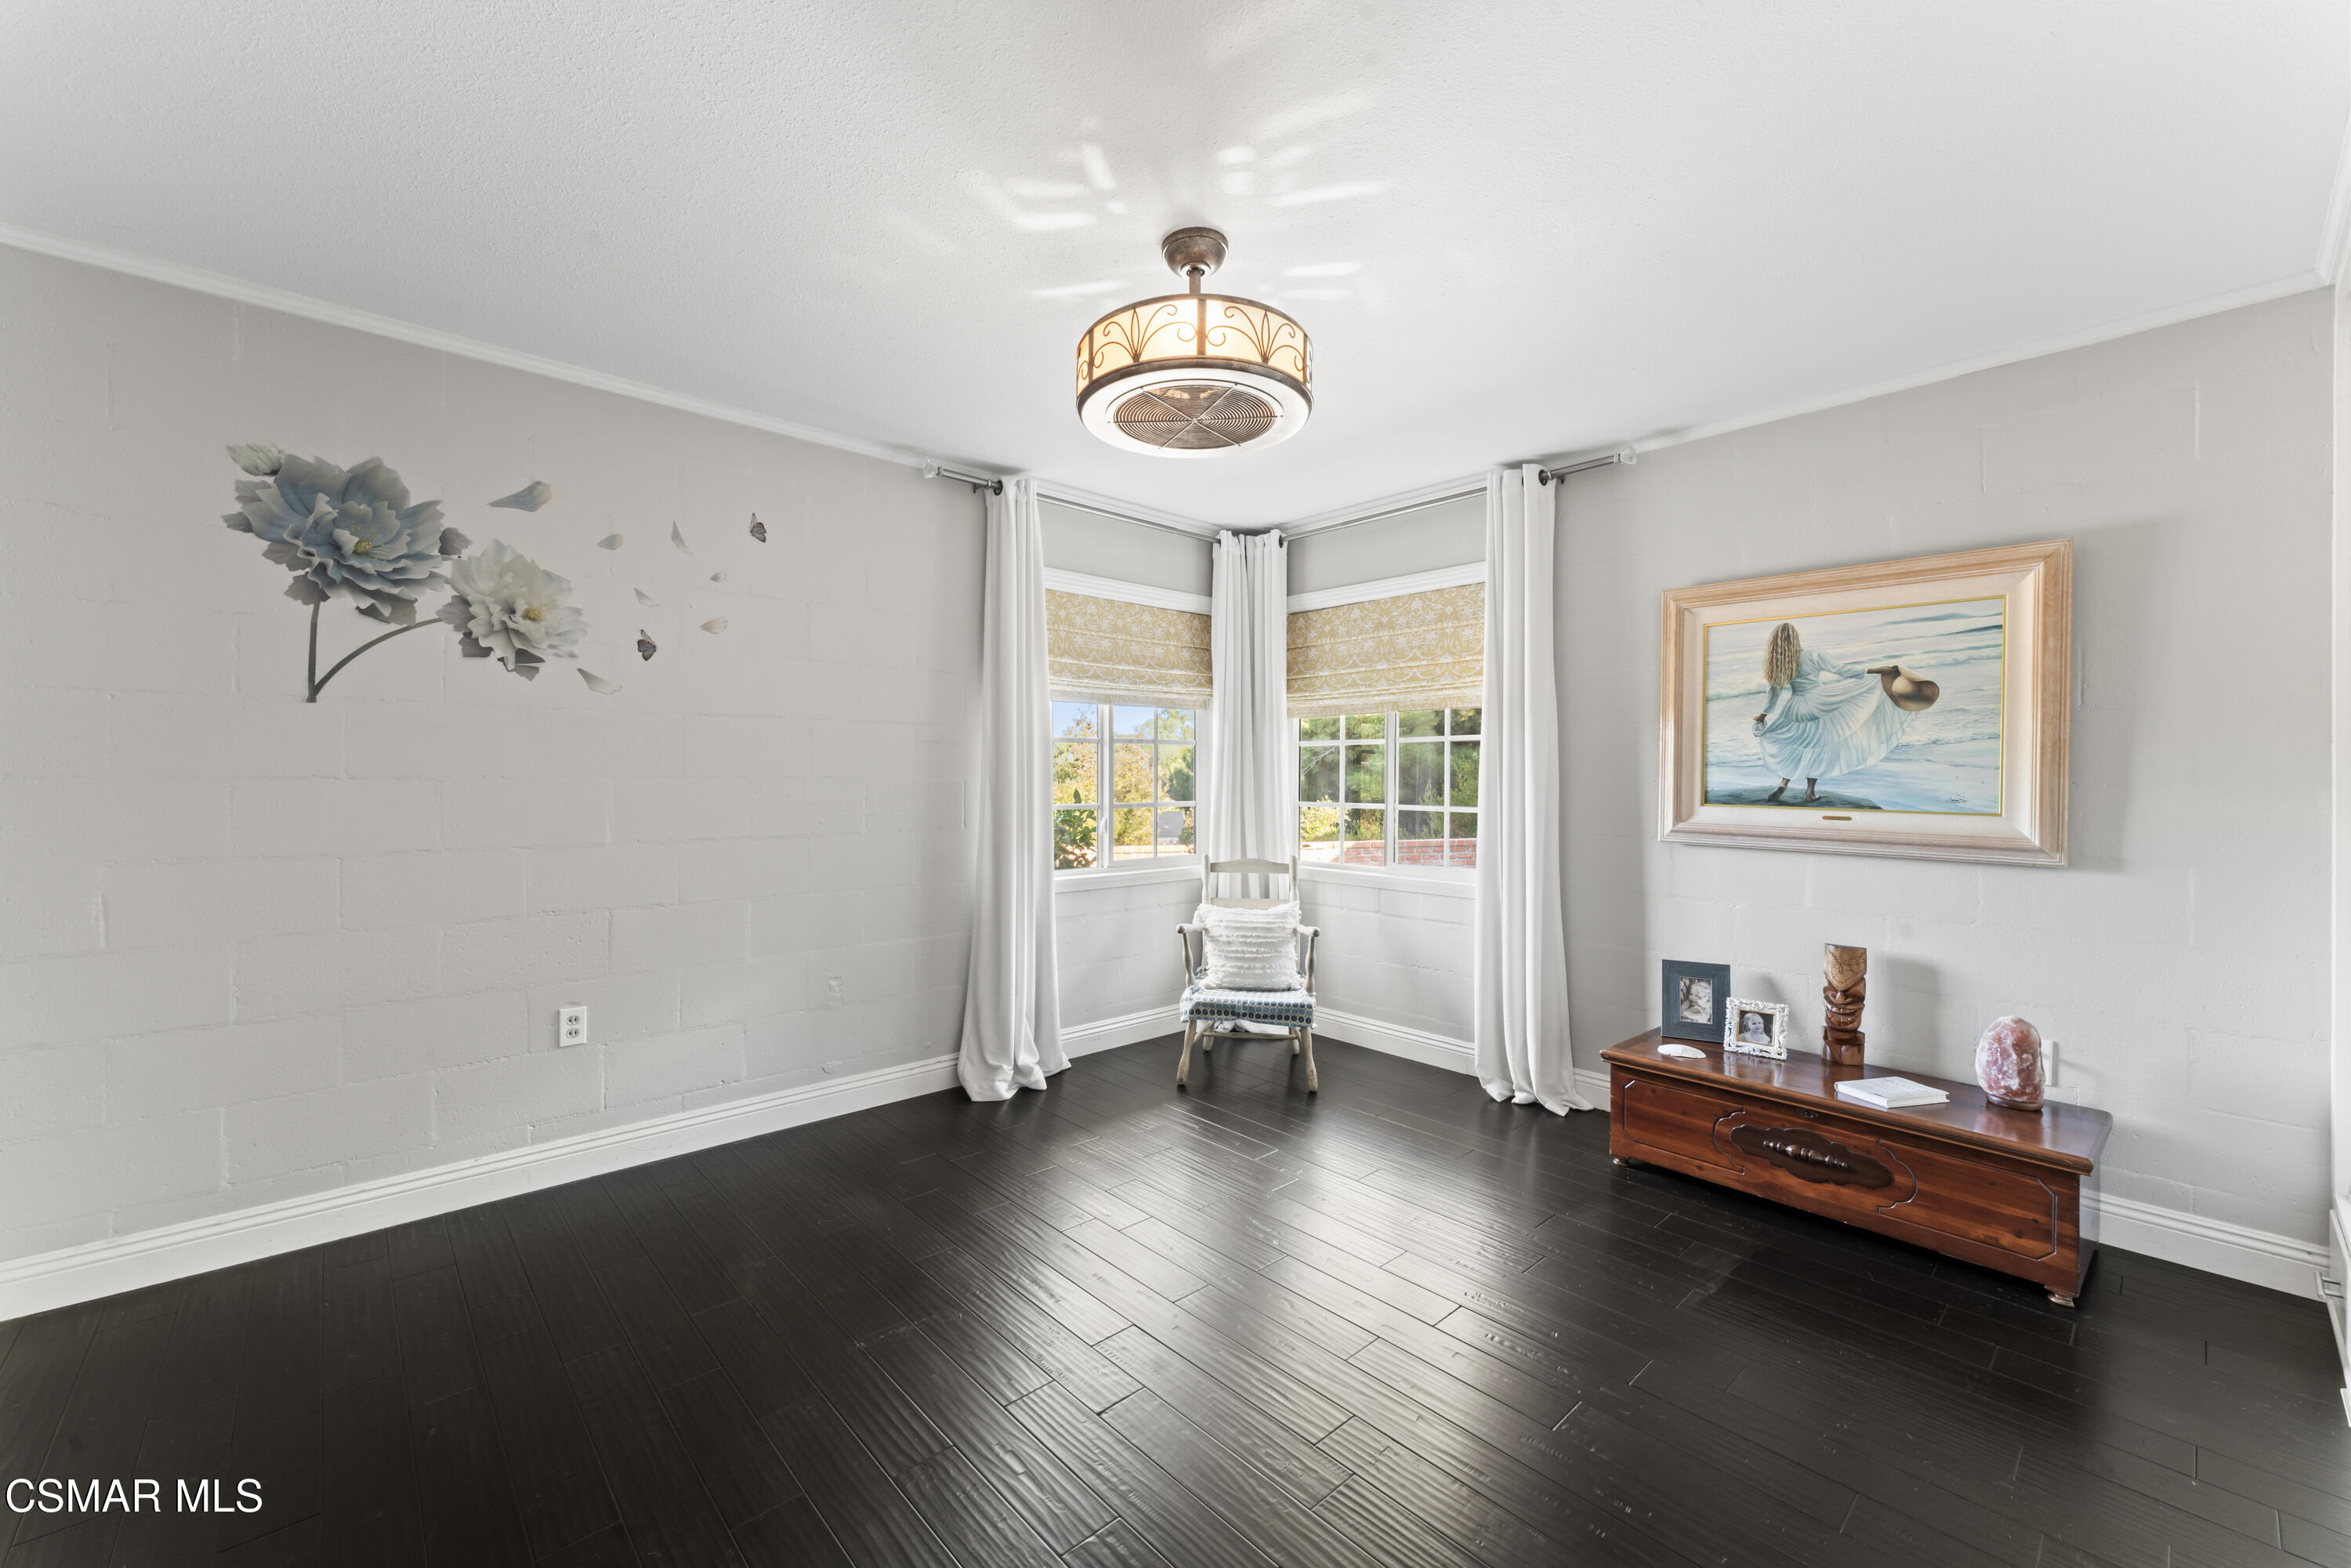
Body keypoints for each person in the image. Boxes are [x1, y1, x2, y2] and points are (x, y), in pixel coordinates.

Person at [1751, 622, 1935, 803]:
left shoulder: (1780, 663)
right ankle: (1809, 794)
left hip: (1795, 708)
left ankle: (1784, 783)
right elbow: (1842, 671)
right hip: (1819, 704)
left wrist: (1763, 715)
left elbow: (1773, 694)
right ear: (1796, 637)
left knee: (1794, 746)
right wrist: (1875, 670)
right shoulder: (1813, 653)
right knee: (1818, 748)